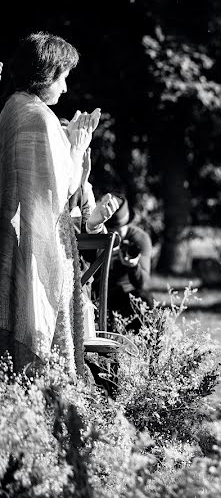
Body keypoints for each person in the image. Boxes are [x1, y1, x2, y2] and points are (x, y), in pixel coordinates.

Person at [0, 32, 101, 376]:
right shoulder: (37, 117)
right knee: (43, 358)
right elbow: (55, 193)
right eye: (63, 77)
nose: (66, 88)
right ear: (46, 73)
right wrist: (76, 145)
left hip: (14, 241)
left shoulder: (15, 107)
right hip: (34, 248)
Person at [104, 196, 153, 329]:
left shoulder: (139, 238)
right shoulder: (100, 236)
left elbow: (144, 283)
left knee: (145, 301)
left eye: (117, 228)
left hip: (126, 294)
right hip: (100, 291)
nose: (113, 233)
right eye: (110, 228)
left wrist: (133, 266)